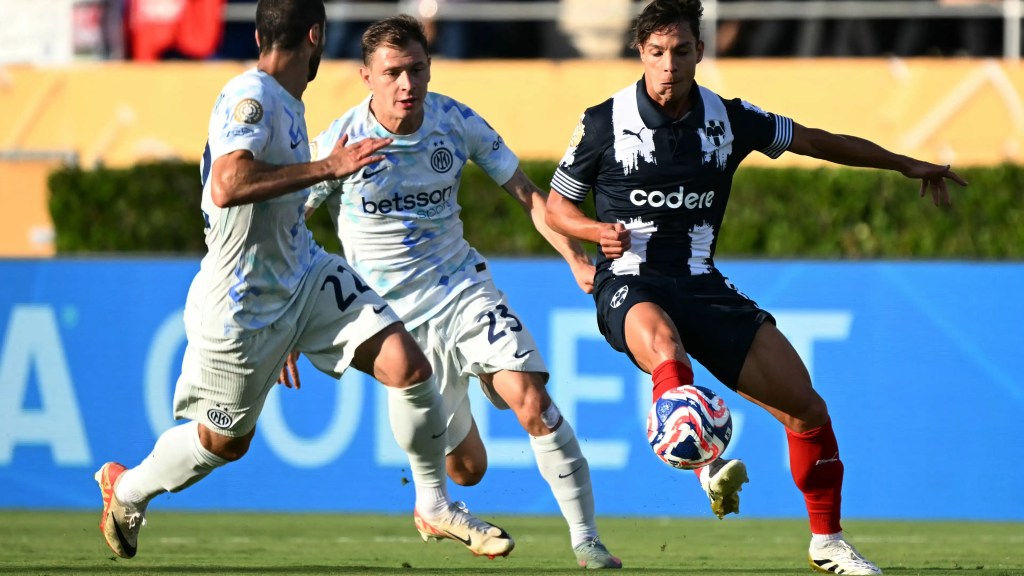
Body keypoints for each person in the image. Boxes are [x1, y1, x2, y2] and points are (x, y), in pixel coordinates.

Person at [544, 1, 967, 575]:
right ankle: (702, 463)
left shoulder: (729, 118)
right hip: (629, 279)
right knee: (664, 346)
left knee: (807, 408)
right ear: (641, 52)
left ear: (700, 51)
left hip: (702, 282)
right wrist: (594, 231)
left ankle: (828, 542)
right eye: (658, 53)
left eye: (683, 51)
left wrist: (903, 164)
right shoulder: (603, 121)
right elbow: (556, 208)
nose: (670, 65)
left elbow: (817, 141)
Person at [94, 0, 512, 561]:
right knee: (223, 443)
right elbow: (228, 183)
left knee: (410, 366)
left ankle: (434, 505)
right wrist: (329, 167)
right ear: (315, 35)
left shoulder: (286, 101)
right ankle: (126, 488)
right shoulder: (255, 96)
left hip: (305, 273)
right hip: (243, 300)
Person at [281, 14, 622, 570]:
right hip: (391, 324)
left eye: (416, 69)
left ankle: (587, 540)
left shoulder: (456, 122)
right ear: (366, 75)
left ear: (429, 67)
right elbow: (288, 228)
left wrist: (573, 257)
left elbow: (529, 195)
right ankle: (436, 504)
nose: (406, 84)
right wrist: (292, 318)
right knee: (470, 469)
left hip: (462, 289)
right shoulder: (341, 143)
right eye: (393, 72)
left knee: (530, 398)